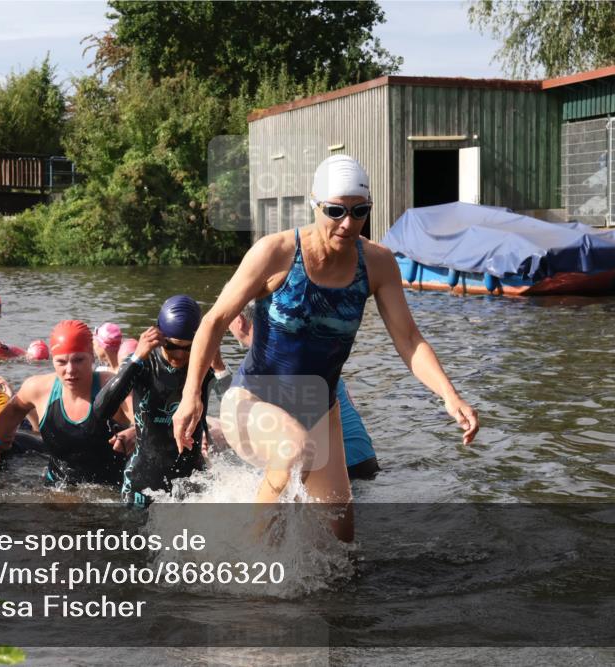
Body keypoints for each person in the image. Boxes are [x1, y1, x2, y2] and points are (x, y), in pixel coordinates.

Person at [172, 155, 479, 542]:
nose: (348, 223)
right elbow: (214, 321)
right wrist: (190, 398)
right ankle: (247, 556)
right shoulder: (277, 253)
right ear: (315, 204)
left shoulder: (378, 264)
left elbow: (409, 340)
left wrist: (449, 396)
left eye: (359, 211)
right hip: (253, 401)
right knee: (295, 450)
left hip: (320, 409)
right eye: (335, 211)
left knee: (340, 542)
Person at [223, 300, 380, 480]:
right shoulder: (300, 349)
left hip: (334, 471)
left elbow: (240, 420)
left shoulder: (263, 365)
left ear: (239, 320)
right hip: (366, 460)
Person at [0, 320, 132, 485]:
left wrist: (136, 432)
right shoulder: (37, 388)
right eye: (61, 362)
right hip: (56, 487)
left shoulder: (115, 388)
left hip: (109, 492)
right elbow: (13, 412)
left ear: (92, 356)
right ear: (52, 360)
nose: (70, 370)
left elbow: (148, 422)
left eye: (78, 360)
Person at [100, 296, 217, 507]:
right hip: (143, 480)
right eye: (171, 346)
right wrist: (136, 358)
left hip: (191, 480)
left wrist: (220, 367)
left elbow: (237, 410)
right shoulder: (144, 363)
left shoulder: (204, 368)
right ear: (158, 334)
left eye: (188, 347)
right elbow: (101, 410)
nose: (180, 355)